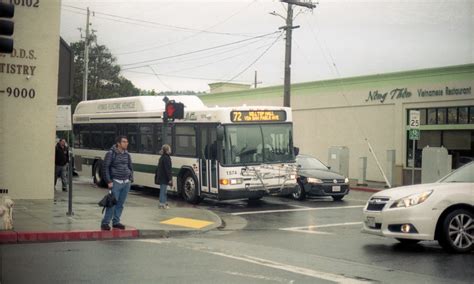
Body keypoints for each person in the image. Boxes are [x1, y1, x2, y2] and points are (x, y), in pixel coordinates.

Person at [101, 136, 134, 231]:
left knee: (120, 204)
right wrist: (109, 181)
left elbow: (130, 167)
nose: (126, 143)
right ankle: (105, 223)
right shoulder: (111, 154)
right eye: (124, 142)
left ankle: (116, 222)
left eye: (127, 142)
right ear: (118, 143)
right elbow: (105, 168)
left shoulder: (127, 154)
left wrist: (130, 178)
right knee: (112, 203)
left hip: (126, 182)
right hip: (115, 182)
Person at [155, 144, 172, 209]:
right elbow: (168, 169)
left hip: (161, 177)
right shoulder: (166, 158)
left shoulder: (162, 157)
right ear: (167, 150)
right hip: (164, 177)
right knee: (163, 191)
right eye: (169, 149)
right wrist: (170, 178)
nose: (170, 150)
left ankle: (163, 203)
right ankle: (162, 204)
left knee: (163, 190)